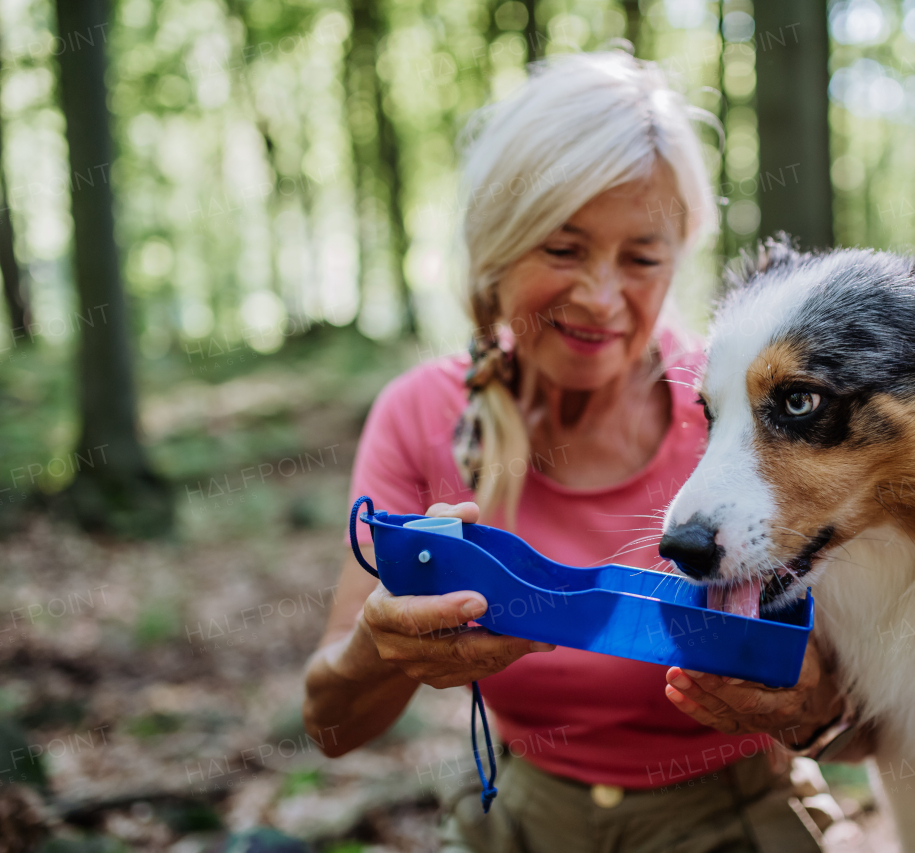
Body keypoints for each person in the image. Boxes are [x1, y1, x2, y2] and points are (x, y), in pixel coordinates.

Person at [302, 51, 871, 853]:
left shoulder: (751, 420)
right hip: (521, 816)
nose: (602, 297)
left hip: (737, 819)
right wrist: (377, 651)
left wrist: (809, 706)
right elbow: (329, 727)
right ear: (498, 246)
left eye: (641, 258)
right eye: (563, 250)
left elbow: (868, 725)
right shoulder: (420, 416)